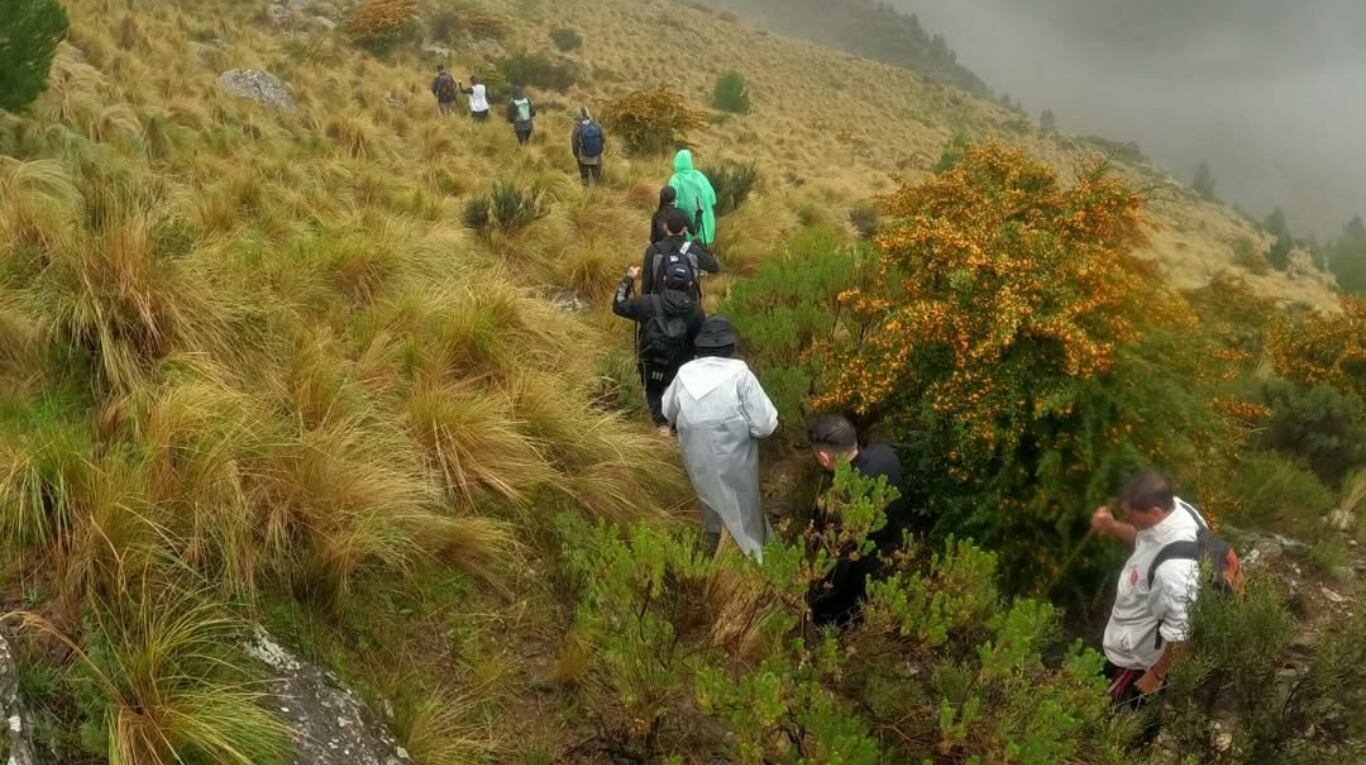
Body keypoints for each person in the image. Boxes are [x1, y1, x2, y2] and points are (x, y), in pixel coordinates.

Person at [663, 317, 779, 559]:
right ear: (730, 347)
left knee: (708, 503)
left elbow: (667, 410)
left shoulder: (685, 373)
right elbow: (765, 425)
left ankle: (714, 550)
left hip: (695, 457)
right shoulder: (740, 374)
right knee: (742, 507)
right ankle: (753, 560)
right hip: (735, 459)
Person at [1091, 470, 1205, 714]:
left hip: (1138, 661)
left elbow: (1181, 631)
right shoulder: (1175, 509)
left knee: (1115, 720)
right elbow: (1146, 540)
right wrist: (1112, 526)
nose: (1128, 520)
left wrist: (1155, 675)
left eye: (1130, 516)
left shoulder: (1175, 572)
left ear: (1155, 512)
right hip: (1127, 635)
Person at [805, 414, 911, 627]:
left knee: (832, 624)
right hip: (894, 559)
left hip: (858, 587)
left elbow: (835, 566)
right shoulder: (887, 455)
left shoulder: (836, 502)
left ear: (824, 458)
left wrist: (814, 601)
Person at [612, 261, 705, 432]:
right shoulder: (696, 312)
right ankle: (676, 428)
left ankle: (661, 425)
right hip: (678, 369)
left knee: (652, 388)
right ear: (690, 284)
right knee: (676, 391)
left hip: (650, 363)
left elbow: (618, 305)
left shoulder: (647, 303)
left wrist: (629, 279)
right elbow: (698, 343)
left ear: (664, 279)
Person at [641, 209, 719, 298]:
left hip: (660, 304)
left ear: (665, 227)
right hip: (688, 305)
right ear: (685, 228)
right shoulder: (693, 250)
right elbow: (714, 267)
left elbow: (646, 284)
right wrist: (702, 247)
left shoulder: (653, 250)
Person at [667, 149, 718, 247]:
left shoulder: (676, 179)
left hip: (684, 220)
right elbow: (712, 198)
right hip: (702, 218)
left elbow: (671, 200)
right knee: (701, 247)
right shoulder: (699, 176)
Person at [571, 107, 606, 184]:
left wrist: (576, 154)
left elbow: (574, 144)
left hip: (582, 157)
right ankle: (597, 191)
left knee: (584, 176)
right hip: (596, 157)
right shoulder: (596, 125)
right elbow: (603, 139)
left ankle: (585, 191)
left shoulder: (577, 127)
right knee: (596, 178)